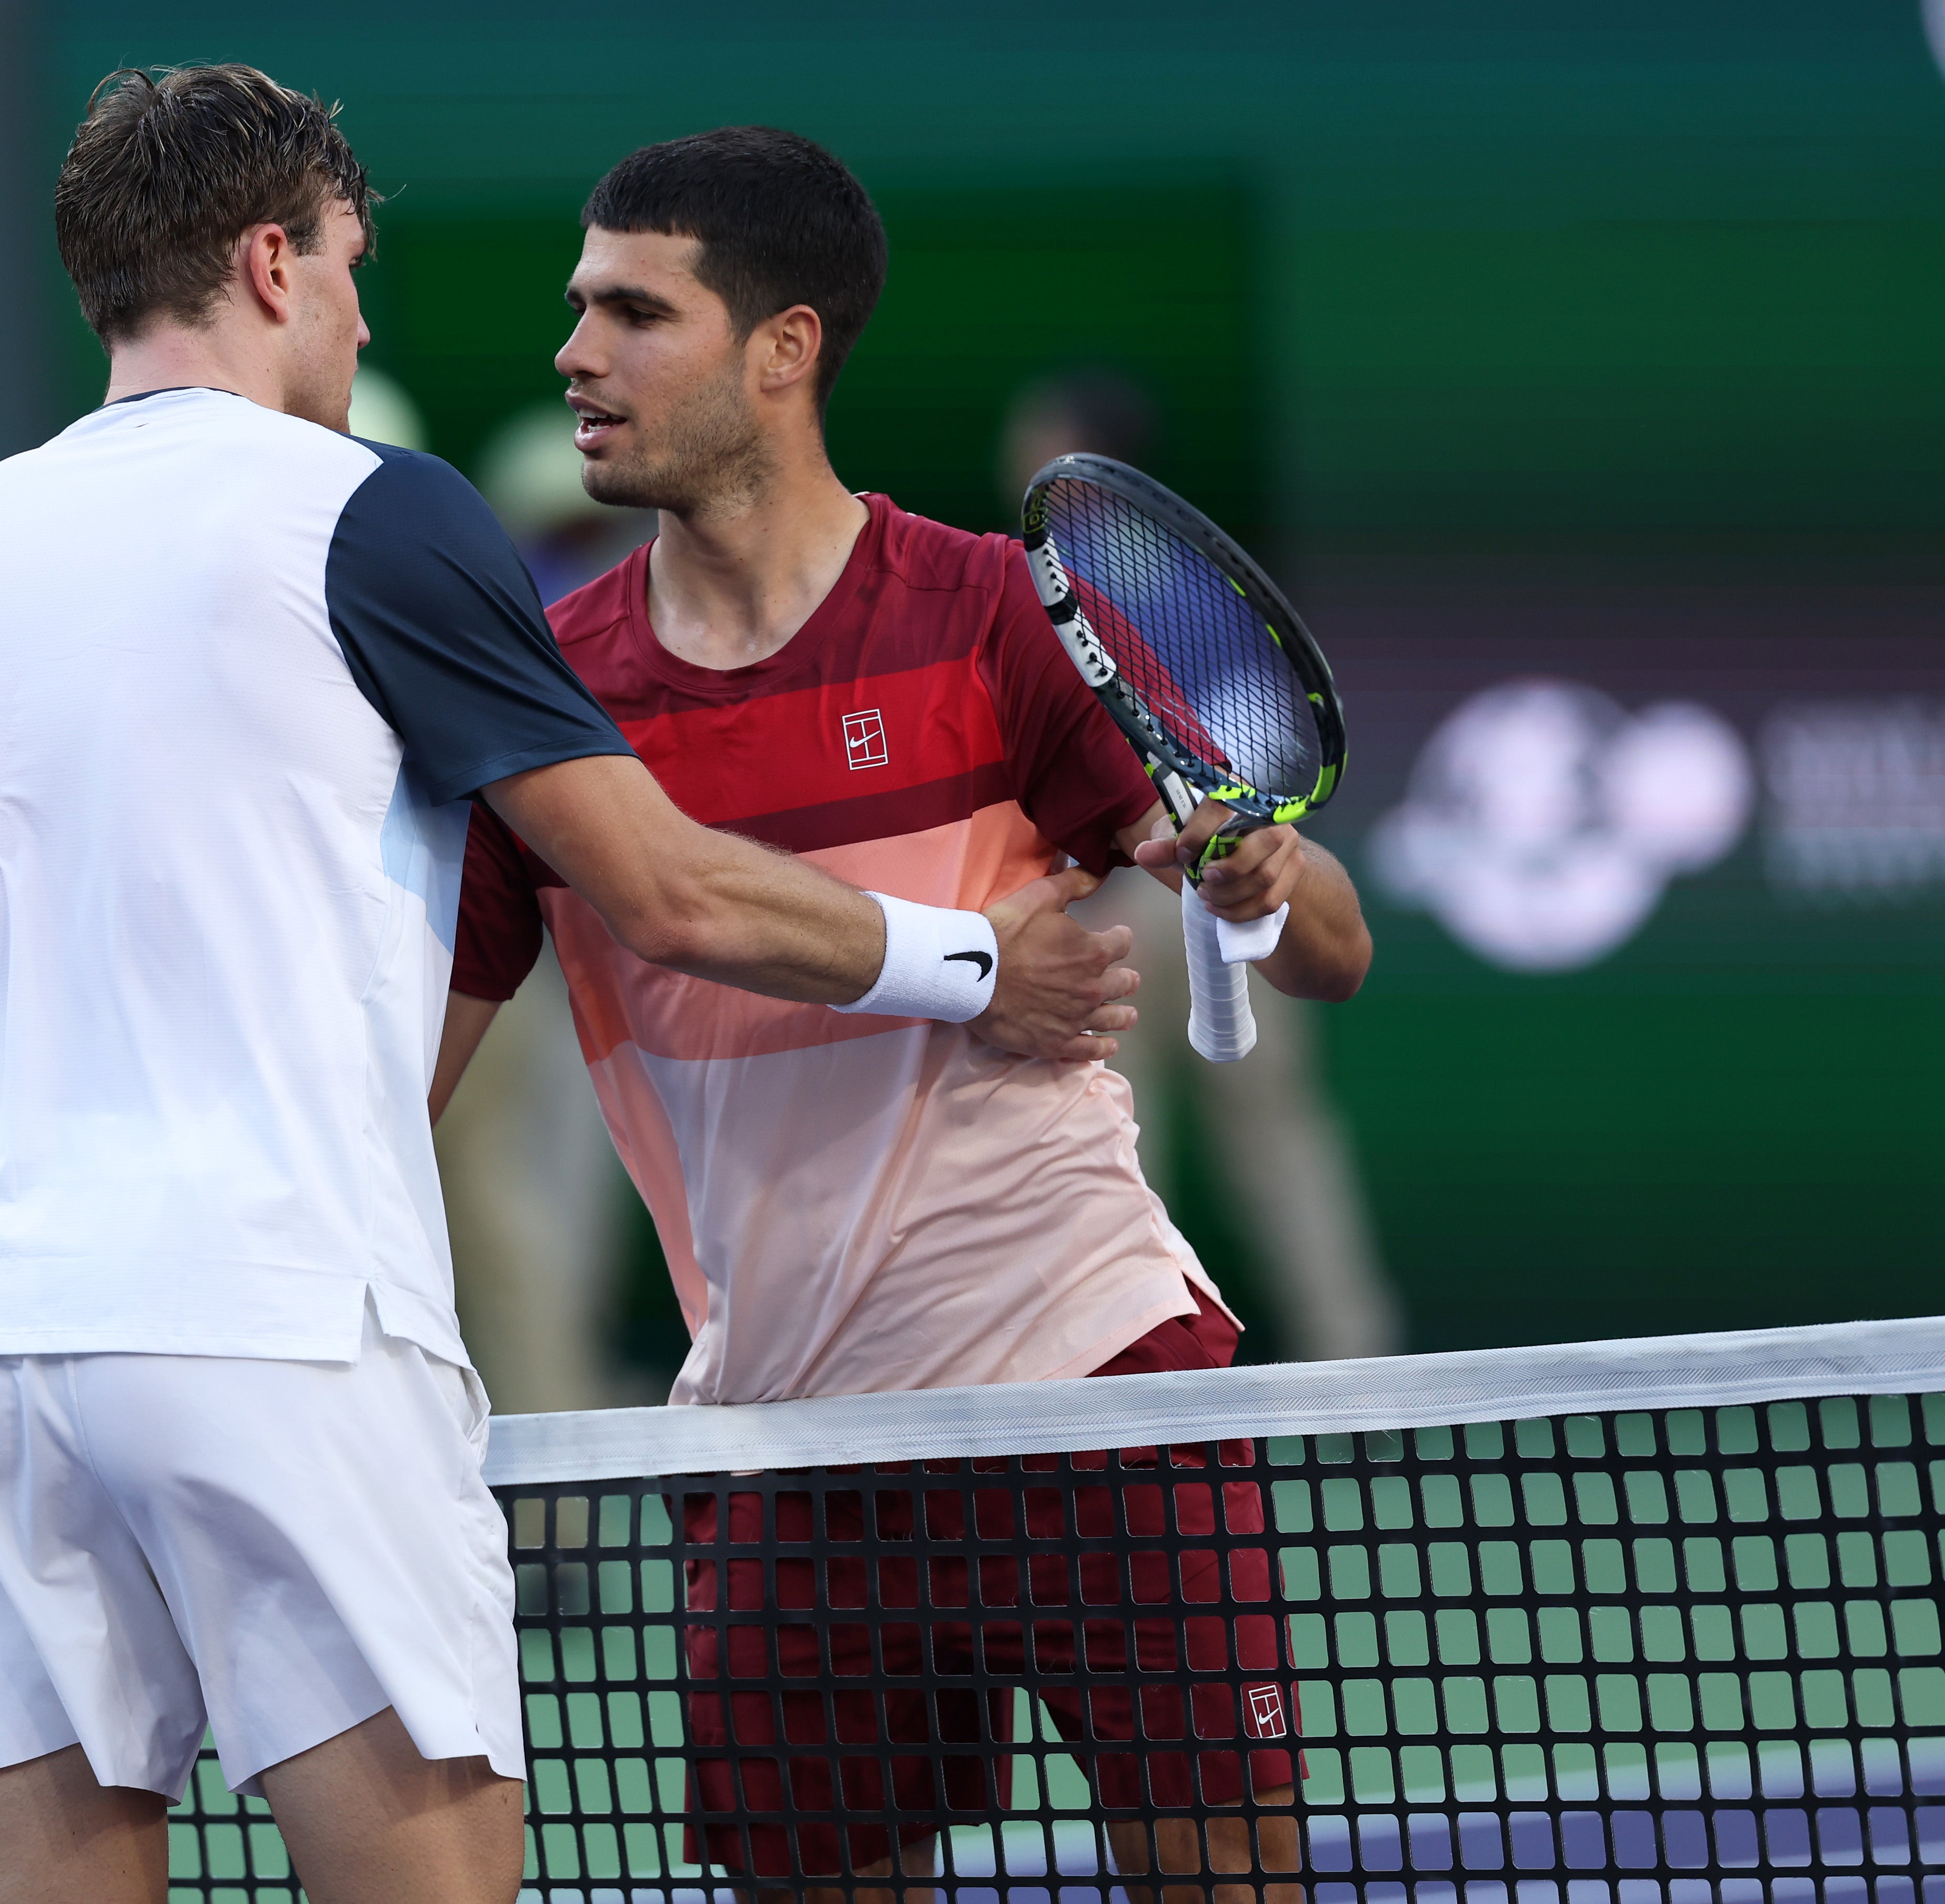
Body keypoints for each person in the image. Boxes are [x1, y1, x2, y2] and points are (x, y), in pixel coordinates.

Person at [0, 68, 1112, 1904]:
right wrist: (970, 961)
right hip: (285, 1336)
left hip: (1, 1369)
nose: (368, 316)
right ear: (271, 258)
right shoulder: (374, 513)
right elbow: (664, 886)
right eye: (357, 266)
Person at [435, 128, 1375, 1904]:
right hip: (784, 1433)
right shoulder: (552, 698)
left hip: (1091, 1380)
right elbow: (405, 1065)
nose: (574, 352)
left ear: (781, 350)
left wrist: (1261, 876)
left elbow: (1330, 946)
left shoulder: (988, 614)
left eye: (633, 311)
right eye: (577, 308)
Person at [1002, 375, 1403, 1363]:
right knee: (1274, 1142)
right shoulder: (1201, 584)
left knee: (1118, 1149)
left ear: (1073, 450)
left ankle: (1144, 1367)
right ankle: (1356, 1360)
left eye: (1035, 432)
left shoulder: (1038, 580)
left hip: (1141, 892)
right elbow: (1265, 757)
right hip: (1235, 871)